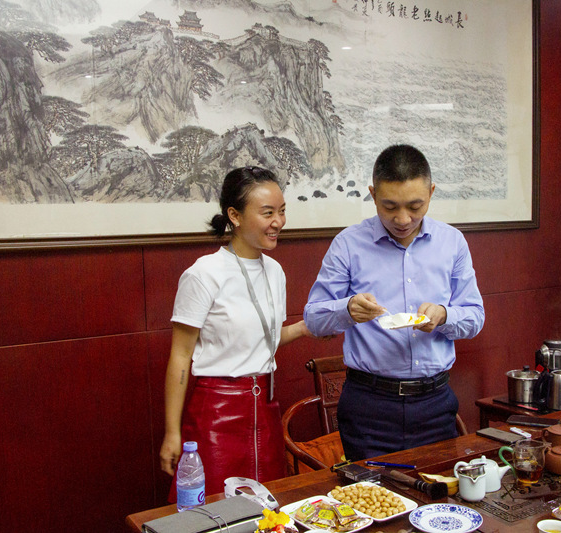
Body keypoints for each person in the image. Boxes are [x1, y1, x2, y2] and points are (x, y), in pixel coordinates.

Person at [303, 144, 485, 461]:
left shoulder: (452, 242)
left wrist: (444, 316)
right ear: (373, 195)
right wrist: (347, 310)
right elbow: (314, 318)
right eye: (389, 207)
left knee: (437, 488)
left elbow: (475, 317)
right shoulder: (348, 244)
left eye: (415, 206)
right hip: (369, 406)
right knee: (370, 492)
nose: (403, 219)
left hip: (434, 403)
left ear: (431, 192)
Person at [159, 166, 313, 499]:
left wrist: (303, 328)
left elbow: (265, 342)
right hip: (217, 414)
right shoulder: (204, 274)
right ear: (235, 215)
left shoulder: (275, 271)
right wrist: (172, 432)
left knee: (270, 511)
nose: (278, 222)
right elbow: (181, 355)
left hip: (266, 410)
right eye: (268, 213)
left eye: (282, 211)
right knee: (214, 512)